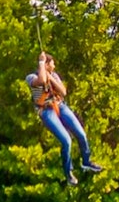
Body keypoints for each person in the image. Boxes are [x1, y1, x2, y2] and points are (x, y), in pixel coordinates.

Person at [27, 51, 103, 186]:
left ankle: (86, 161)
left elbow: (63, 92)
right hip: (46, 111)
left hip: (60, 106)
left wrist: (51, 78)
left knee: (81, 134)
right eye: (52, 64)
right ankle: (69, 173)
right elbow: (42, 80)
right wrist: (41, 63)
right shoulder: (31, 77)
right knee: (66, 141)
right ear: (46, 65)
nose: (54, 66)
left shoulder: (54, 75)